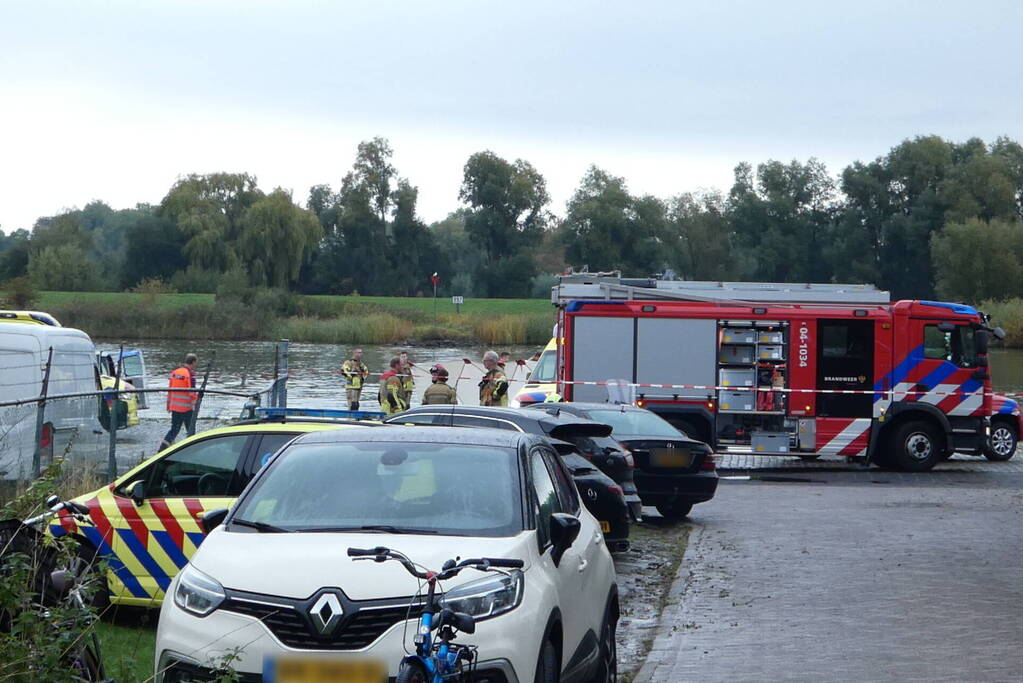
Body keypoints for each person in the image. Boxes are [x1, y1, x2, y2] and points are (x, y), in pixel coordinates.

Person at [159, 353, 198, 451]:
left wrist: (168, 404)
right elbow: (192, 392)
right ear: (193, 362)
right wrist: (196, 403)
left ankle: (162, 449)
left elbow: (170, 389)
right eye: (196, 363)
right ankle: (191, 450)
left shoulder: (175, 373)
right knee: (190, 430)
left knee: (174, 430)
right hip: (186, 408)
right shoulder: (190, 374)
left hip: (175, 407)